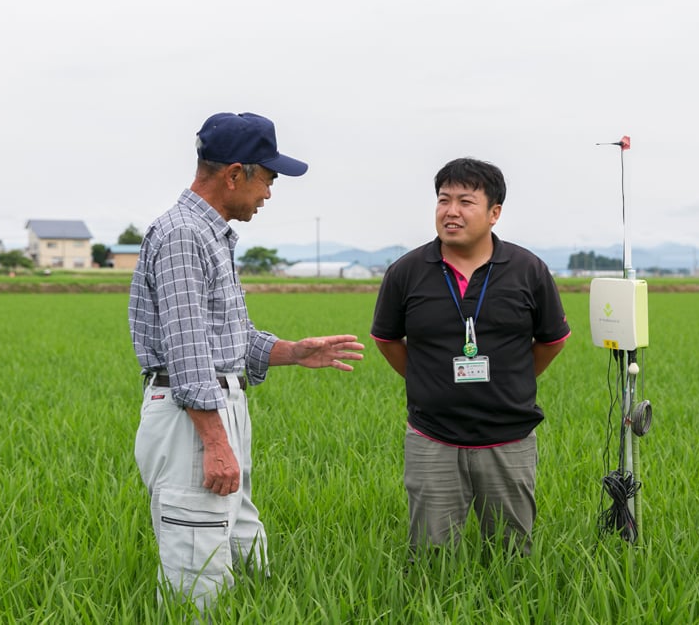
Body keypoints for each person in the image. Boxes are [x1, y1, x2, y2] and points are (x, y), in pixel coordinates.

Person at [129, 112, 364, 613]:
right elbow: (189, 350)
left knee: (240, 544)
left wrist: (294, 352)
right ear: (235, 174)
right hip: (193, 416)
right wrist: (215, 442)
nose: (269, 194)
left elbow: (228, 339)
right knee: (198, 573)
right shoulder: (183, 236)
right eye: (269, 179)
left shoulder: (209, 235)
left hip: (213, 407)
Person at [370, 157, 570, 557]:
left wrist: (512, 382)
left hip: (508, 437)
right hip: (432, 436)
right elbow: (388, 339)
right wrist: (427, 381)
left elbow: (551, 340)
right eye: (444, 200)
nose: (451, 212)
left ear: (494, 213)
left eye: (465, 201)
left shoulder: (528, 270)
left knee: (512, 554)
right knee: (431, 556)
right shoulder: (406, 271)